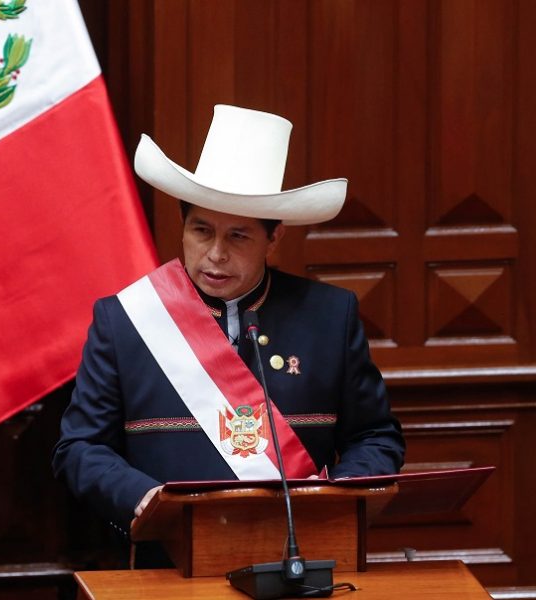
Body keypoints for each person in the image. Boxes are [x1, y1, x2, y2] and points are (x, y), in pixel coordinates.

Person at [52, 105, 405, 538]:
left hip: (299, 553)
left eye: (238, 236)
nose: (216, 253)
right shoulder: (125, 320)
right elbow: (80, 448)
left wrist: (336, 498)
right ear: (182, 227)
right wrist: (143, 499)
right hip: (167, 558)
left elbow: (374, 437)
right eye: (202, 231)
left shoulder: (330, 317)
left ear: (274, 237)